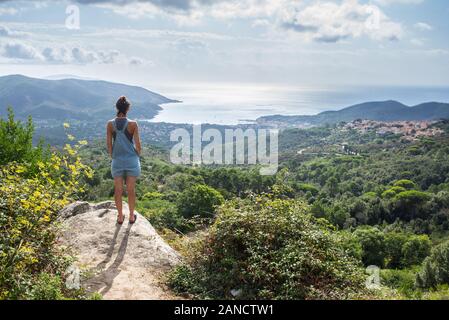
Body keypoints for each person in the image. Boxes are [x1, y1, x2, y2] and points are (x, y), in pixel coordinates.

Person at [106, 96, 142, 225]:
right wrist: (137, 155)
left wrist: (113, 156)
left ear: (117, 108)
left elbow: (109, 145)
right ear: (128, 109)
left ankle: (120, 216)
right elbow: (138, 145)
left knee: (118, 190)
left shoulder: (110, 124)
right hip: (132, 159)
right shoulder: (133, 124)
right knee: (131, 190)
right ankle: (131, 216)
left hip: (117, 160)